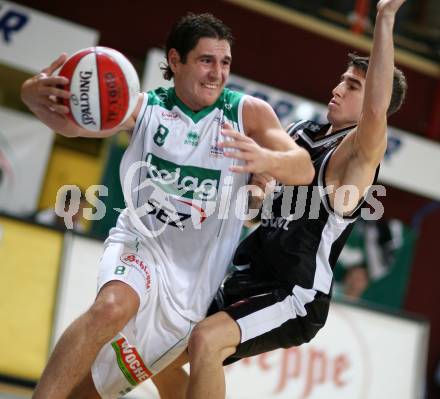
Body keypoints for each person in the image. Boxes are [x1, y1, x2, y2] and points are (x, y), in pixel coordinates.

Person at [21, 13, 314, 399]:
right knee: (110, 308)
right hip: (141, 244)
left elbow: (304, 169)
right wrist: (31, 94)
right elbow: (73, 124)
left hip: (193, 284)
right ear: (175, 61)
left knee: (91, 393)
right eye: (206, 60)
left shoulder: (247, 114)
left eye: (225, 63)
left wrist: (266, 159)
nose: (217, 73)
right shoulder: (144, 109)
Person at [183, 1, 408, 398]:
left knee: (206, 340)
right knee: (163, 350)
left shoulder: (354, 159)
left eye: (352, 86)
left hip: (294, 293)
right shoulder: (301, 131)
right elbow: (258, 206)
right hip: (251, 271)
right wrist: (253, 190)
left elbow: (375, 109)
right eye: (341, 80)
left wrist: (385, 18)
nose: (337, 89)